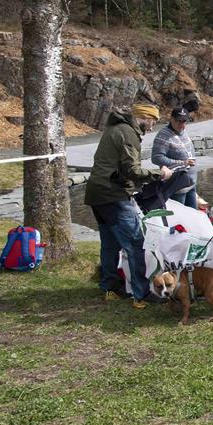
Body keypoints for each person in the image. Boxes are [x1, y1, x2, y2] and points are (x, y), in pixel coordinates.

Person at [85, 103, 173, 308]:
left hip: (96, 193)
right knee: (136, 243)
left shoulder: (115, 128)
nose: (153, 126)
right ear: (144, 117)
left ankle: (110, 287)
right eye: (153, 121)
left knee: (110, 243)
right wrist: (160, 174)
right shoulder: (128, 133)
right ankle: (141, 294)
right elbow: (131, 170)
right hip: (113, 195)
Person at [151, 105, 197, 208]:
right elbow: (156, 158)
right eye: (178, 121)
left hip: (191, 185)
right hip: (177, 187)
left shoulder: (183, 131)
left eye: (184, 121)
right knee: (180, 221)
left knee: (193, 219)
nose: (181, 124)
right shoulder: (164, 135)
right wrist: (181, 163)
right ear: (171, 119)